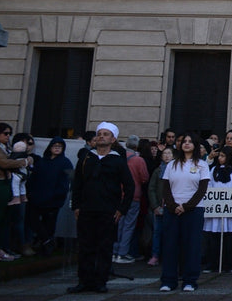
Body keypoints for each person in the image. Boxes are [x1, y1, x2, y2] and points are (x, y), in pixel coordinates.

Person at [67, 122, 135, 294]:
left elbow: (129, 187)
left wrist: (122, 209)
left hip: (108, 211)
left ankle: (100, 281)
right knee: (85, 247)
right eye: (99, 134)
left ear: (113, 139)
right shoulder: (86, 158)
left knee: (104, 247)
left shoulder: (118, 161)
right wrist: (76, 206)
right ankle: (84, 280)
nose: (102, 137)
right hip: (87, 210)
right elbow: (78, 184)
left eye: (106, 134)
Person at [159, 133, 210, 292]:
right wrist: (173, 205)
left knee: (192, 246)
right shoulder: (172, 164)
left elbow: (202, 189)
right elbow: (166, 188)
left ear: (195, 145)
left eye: (190, 142)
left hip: (193, 210)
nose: (187, 144)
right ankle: (168, 280)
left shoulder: (202, 165)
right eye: (184, 142)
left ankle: (190, 280)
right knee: (170, 245)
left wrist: (187, 206)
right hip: (172, 210)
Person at [0, 123, 31, 264]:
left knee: (4, 219)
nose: (8, 136)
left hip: (6, 183)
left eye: (9, 133)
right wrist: (25, 161)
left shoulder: (5, 148)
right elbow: (5, 163)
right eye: (5, 133)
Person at [26, 136, 73, 256]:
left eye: (60, 146)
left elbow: (68, 181)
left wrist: (58, 195)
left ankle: (46, 247)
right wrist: (30, 193)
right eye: (55, 146)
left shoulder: (65, 162)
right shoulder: (42, 161)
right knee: (33, 220)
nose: (57, 148)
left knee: (49, 224)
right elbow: (33, 178)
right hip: (37, 198)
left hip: (53, 200)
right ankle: (46, 241)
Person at [203, 145, 232, 272]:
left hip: (230, 210)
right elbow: (208, 186)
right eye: (219, 156)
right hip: (216, 210)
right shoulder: (213, 170)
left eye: (222, 156)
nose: (220, 158)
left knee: (231, 239)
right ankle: (212, 263)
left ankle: (231, 263)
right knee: (214, 239)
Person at [113, 136, 148, 263]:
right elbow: (144, 178)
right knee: (128, 225)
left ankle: (115, 251)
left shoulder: (118, 157)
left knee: (119, 223)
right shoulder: (139, 160)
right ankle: (122, 253)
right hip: (133, 195)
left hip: (118, 194)